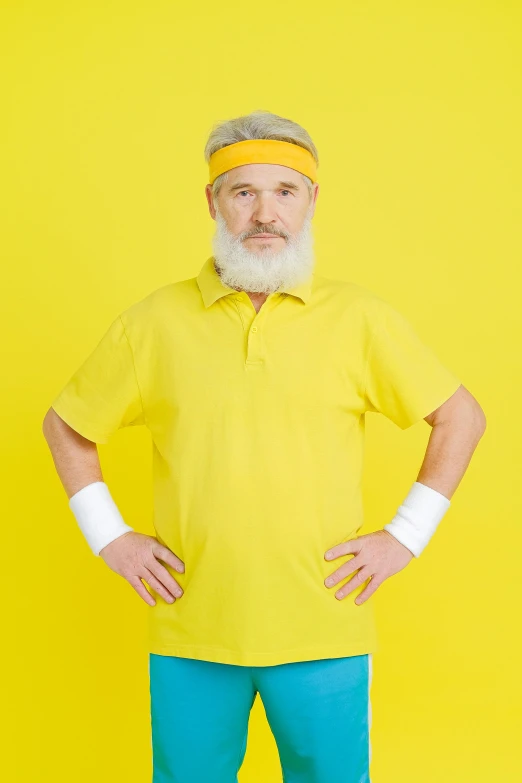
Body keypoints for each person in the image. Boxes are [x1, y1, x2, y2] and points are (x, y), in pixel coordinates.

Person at [43, 109, 486, 783]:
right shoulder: (155, 321)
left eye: (286, 191)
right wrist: (111, 535)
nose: (264, 213)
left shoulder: (360, 318)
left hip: (325, 627)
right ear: (212, 202)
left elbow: (461, 417)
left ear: (312, 202)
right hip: (192, 627)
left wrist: (406, 534)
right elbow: (69, 424)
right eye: (243, 191)